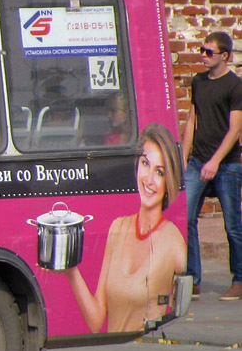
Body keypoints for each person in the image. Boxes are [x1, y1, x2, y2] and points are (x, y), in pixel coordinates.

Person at [65, 123, 187, 332]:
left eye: (159, 172)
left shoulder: (174, 241)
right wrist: (71, 270)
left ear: (169, 181)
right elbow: (96, 321)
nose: (149, 179)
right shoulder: (117, 228)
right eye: (145, 164)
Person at [181, 31, 242, 300]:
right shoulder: (198, 81)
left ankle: (239, 280)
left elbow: (235, 130)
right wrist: (183, 156)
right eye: (202, 50)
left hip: (227, 165)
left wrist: (215, 161)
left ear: (225, 56)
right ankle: (193, 279)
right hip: (197, 162)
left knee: (232, 226)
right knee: (185, 219)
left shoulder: (235, 86)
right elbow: (192, 120)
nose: (203, 56)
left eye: (209, 52)